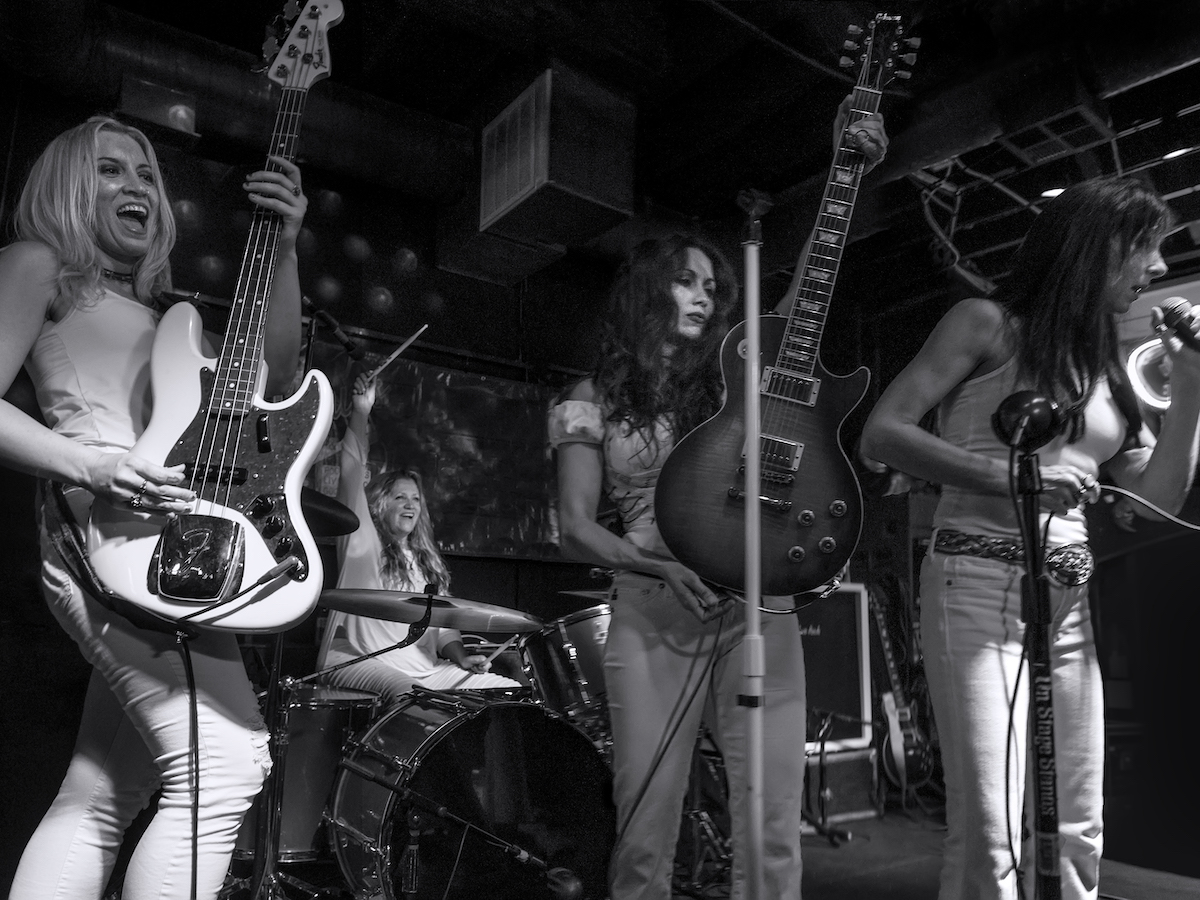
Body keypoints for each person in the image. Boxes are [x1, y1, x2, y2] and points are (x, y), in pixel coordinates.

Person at [551, 106, 888, 898]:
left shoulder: (736, 384)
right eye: (687, 279)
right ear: (647, 287)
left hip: (756, 608)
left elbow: (802, 304)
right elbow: (571, 527)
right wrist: (655, 568)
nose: (704, 295)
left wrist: (845, 165)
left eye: (714, 285)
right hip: (650, 608)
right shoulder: (588, 399)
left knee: (772, 826)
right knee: (646, 825)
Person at [859, 175, 1200, 900]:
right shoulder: (986, 323)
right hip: (975, 586)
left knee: (1079, 824)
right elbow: (885, 432)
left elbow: (1154, 502)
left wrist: (1194, 383)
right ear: (1097, 247)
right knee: (990, 831)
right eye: (1148, 248)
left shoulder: (1108, 366)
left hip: (1068, 604)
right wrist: (1020, 481)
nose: (1161, 269)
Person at [4, 116, 309, 900]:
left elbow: (275, 372)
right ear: (69, 188)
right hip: (111, 535)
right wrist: (88, 462)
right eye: (110, 171)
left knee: (103, 792)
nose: (136, 185)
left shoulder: (167, 316)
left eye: (145, 174)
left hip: (164, 543)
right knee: (230, 764)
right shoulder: (38, 266)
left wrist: (282, 247)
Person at [315, 372, 521, 699]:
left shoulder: (426, 563)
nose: (410, 504)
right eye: (400, 497)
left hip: (424, 668)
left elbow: (441, 629)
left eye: (415, 499)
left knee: (508, 692)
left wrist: (463, 657)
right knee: (410, 695)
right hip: (358, 658)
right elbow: (352, 467)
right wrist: (361, 411)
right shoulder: (362, 540)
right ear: (380, 505)